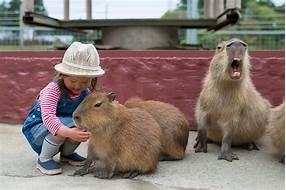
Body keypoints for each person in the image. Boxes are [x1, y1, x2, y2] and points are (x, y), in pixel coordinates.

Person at [22, 42, 105, 175]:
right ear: (62, 75)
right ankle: (44, 159)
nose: (78, 86)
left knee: (80, 127)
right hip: (39, 128)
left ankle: (67, 154)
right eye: (73, 81)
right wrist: (69, 132)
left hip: (63, 124)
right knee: (62, 130)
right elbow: (48, 118)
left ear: (92, 79)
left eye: (84, 82)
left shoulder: (85, 92)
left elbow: (88, 113)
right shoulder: (52, 90)